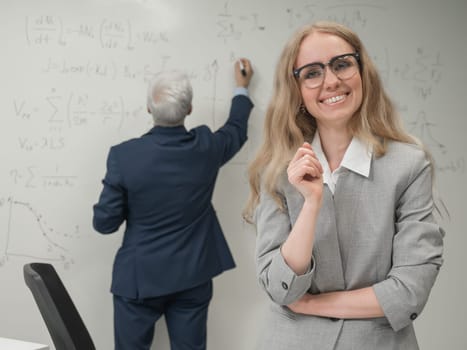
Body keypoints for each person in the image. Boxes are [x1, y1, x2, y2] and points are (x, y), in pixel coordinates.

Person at [243, 21, 444, 350]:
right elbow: (280, 289)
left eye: (342, 64)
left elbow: (409, 293)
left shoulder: (409, 165)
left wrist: (310, 305)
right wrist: (310, 204)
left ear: (362, 72)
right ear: (297, 90)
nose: (331, 81)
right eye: (312, 72)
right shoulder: (277, 171)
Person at [93, 59, 254, 350]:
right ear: (189, 109)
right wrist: (241, 88)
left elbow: (104, 224)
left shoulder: (124, 156)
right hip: (192, 275)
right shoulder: (206, 147)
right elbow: (236, 129)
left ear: (148, 109)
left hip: (138, 278)